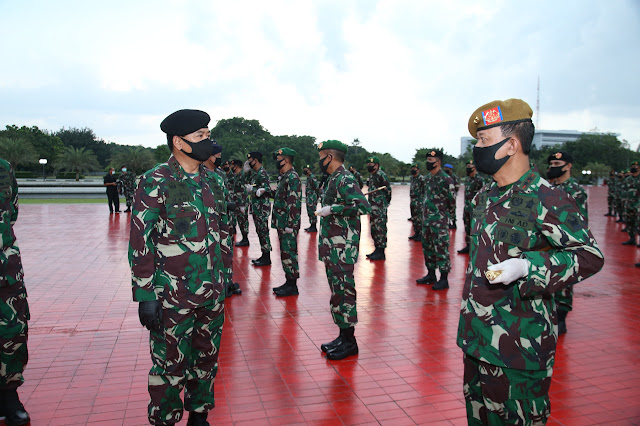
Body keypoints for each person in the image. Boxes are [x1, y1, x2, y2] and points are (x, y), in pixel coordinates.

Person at [457, 99, 604, 425]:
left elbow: (589, 255)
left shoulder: (546, 196)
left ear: (511, 144)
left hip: (519, 348)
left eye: (483, 140)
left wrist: (529, 267)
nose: (476, 148)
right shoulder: (485, 195)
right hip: (477, 339)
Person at [129, 109, 231, 426]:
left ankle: (199, 416)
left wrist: (225, 277)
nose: (208, 141)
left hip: (211, 293)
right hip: (172, 298)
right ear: (179, 142)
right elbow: (139, 240)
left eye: (207, 134)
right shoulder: (155, 181)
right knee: (169, 366)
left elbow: (224, 232)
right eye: (200, 136)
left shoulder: (215, 180)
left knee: (206, 360)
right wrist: (145, 294)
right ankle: (165, 419)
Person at [315, 140, 371, 360]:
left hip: (342, 248)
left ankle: (350, 342)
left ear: (329, 156)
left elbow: (362, 206)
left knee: (344, 292)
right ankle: (343, 335)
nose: (319, 161)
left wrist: (334, 209)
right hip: (332, 246)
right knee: (337, 293)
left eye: (321, 156)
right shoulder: (333, 178)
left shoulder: (345, 178)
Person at [0, 159, 30, 426]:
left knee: (13, 333)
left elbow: (13, 212)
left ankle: (8, 395)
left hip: (5, 270)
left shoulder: (3, 167)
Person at [546, 151, 588, 335]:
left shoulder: (576, 191)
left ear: (568, 165)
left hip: (565, 242)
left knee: (563, 283)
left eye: (557, 163)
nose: (553, 167)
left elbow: (580, 222)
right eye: (551, 164)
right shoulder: (547, 189)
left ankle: (561, 319)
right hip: (546, 242)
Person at [204, 144, 241, 298]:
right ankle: (217, 285)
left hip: (225, 221)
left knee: (226, 252)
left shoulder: (218, 174)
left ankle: (227, 282)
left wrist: (228, 205)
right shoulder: (202, 175)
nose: (219, 158)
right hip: (210, 223)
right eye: (217, 155)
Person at [416, 150, 455, 290]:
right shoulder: (427, 179)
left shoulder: (446, 180)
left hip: (439, 221)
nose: (428, 163)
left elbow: (452, 201)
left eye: (431, 161)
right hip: (426, 220)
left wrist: (446, 218)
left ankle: (444, 279)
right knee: (428, 248)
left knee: (441, 249)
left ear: (438, 162)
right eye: (427, 160)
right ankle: (431, 274)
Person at [271, 148, 302, 296]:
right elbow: (281, 197)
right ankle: (288, 281)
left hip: (287, 224)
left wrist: (291, 224)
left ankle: (292, 285)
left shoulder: (292, 177)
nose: (277, 161)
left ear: (286, 160)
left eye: (279, 158)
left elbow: (294, 203)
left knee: (289, 253)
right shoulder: (285, 176)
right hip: (282, 222)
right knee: (285, 253)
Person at [245, 152, 273, 266]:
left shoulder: (262, 173)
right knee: (260, 231)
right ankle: (264, 254)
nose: (249, 162)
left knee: (263, 232)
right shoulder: (256, 174)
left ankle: (267, 257)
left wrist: (259, 190)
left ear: (256, 160)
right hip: (257, 207)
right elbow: (255, 186)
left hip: (262, 207)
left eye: (250, 160)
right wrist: (252, 188)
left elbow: (267, 188)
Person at [365, 156, 392, 260]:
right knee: (374, 228)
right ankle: (377, 249)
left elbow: (388, 190)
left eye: (371, 165)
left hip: (380, 207)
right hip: (372, 206)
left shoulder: (381, 175)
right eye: (368, 165)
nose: (369, 167)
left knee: (380, 228)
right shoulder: (372, 176)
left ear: (376, 165)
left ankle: (381, 252)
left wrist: (384, 203)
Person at [458, 160, 485, 254]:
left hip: (476, 209)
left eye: (470, 166)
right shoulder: (468, 179)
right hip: (467, 208)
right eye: (467, 166)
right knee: (467, 227)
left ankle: (477, 247)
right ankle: (468, 246)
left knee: (476, 228)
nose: (468, 168)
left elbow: (483, 197)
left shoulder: (480, 180)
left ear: (475, 168)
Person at [231, 160, 250, 247]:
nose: (231, 167)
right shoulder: (236, 175)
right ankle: (244, 238)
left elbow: (243, 190)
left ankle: (245, 239)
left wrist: (242, 205)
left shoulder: (242, 175)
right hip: (237, 202)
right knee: (240, 220)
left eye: (233, 165)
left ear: (236, 166)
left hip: (242, 202)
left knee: (243, 221)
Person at [621, 162, 639, 246]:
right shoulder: (628, 179)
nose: (633, 168)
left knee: (638, 223)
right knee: (629, 222)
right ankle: (632, 239)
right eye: (632, 166)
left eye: (635, 166)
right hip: (628, 204)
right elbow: (624, 191)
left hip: (638, 205)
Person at [408, 163, 425, 241]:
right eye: (412, 169)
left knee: (420, 218)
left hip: (419, 201)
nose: (413, 171)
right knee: (414, 218)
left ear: (418, 170)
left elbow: (425, 189)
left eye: (414, 169)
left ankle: (421, 234)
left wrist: (423, 199)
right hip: (413, 200)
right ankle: (416, 233)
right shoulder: (412, 178)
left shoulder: (421, 178)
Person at [302, 164, 320, 232]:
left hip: (312, 198)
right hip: (309, 198)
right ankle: (312, 225)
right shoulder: (309, 177)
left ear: (309, 170)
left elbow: (317, 188)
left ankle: (314, 227)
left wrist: (316, 197)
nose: (305, 171)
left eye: (306, 170)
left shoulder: (312, 177)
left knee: (313, 212)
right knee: (310, 211)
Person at [444, 164, 460, 229]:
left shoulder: (453, 177)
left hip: (452, 196)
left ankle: (453, 223)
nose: (446, 169)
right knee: (445, 209)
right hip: (444, 196)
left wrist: (454, 193)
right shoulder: (444, 177)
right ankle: (447, 222)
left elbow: (457, 186)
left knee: (452, 209)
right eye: (446, 168)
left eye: (448, 168)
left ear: (450, 169)